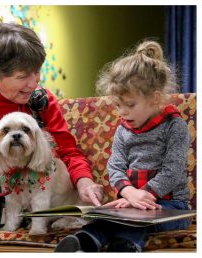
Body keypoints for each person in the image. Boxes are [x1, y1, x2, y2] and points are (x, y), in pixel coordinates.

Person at [0, 22, 104, 252]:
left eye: (37, 72)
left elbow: (68, 150)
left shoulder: (41, 100)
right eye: (23, 76)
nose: (34, 84)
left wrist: (83, 180)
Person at [55, 41, 191, 252]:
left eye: (129, 105)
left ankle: (124, 249)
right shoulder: (123, 130)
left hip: (171, 207)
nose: (123, 112)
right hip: (129, 202)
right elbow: (115, 166)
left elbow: (172, 171)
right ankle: (82, 243)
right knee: (105, 219)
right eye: (118, 105)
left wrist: (141, 197)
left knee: (137, 220)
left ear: (155, 99)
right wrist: (128, 193)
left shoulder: (175, 126)